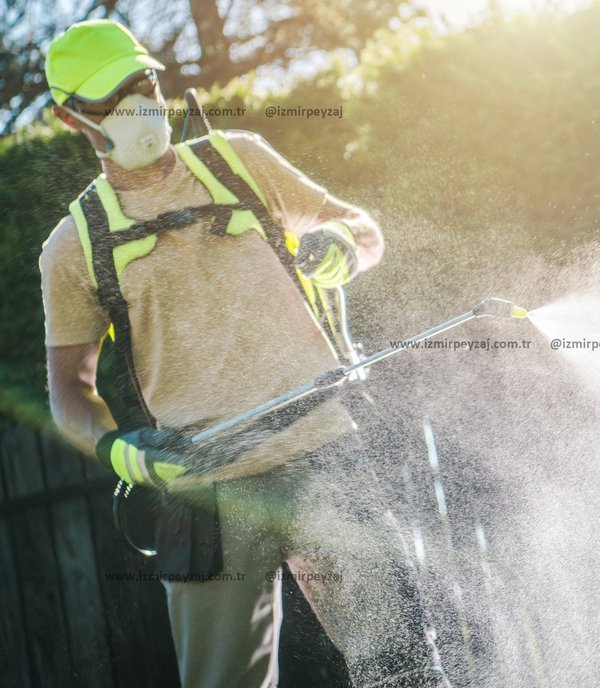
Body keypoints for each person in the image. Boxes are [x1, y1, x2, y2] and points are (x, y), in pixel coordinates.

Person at [40, 18, 448, 688]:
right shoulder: (74, 246)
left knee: (402, 666)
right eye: (110, 99)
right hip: (202, 494)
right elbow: (68, 391)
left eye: (141, 82)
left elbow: (362, 228)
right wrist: (124, 452)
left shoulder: (237, 160)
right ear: (69, 117)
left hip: (324, 452)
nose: (136, 103)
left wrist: (344, 245)